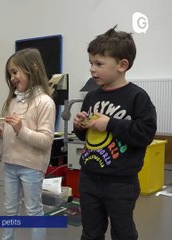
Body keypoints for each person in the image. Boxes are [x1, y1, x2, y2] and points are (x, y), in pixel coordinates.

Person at [73, 26, 157, 240]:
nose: (92, 69)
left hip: (121, 182)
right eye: (91, 63)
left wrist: (110, 123)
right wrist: (80, 127)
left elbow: (144, 133)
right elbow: (87, 137)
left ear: (122, 65)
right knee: (90, 232)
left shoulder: (137, 97)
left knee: (122, 233)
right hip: (89, 177)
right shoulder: (91, 97)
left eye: (99, 64)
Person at [0, 48, 56, 240]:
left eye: (15, 72)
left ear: (33, 69)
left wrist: (21, 129)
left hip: (31, 166)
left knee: (33, 211)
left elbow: (46, 141)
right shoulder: (14, 100)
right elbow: (10, 131)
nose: (12, 78)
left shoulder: (44, 102)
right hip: (10, 163)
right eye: (10, 74)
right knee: (9, 209)